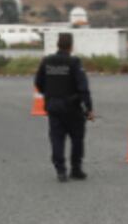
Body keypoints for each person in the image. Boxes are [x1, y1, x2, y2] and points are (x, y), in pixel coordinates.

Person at [34, 33, 95, 182]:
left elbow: (38, 82)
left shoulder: (47, 61)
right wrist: (89, 108)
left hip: (53, 106)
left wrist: (48, 94)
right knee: (77, 139)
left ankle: (60, 170)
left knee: (56, 138)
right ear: (71, 46)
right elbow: (83, 87)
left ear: (58, 44)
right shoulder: (74, 62)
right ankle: (76, 169)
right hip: (72, 107)